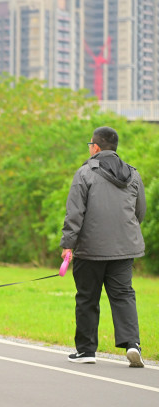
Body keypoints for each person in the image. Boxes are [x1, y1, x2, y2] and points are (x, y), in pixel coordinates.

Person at [60, 126, 146, 368]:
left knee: (87, 298)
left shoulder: (85, 173)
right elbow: (140, 212)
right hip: (124, 249)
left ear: (95, 147)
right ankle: (132, 344)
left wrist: (68, 244)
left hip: (91, 249)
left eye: (90, 144)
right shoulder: (133, 174)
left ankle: (86, 350)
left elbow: (74, 213)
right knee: (123, 295)